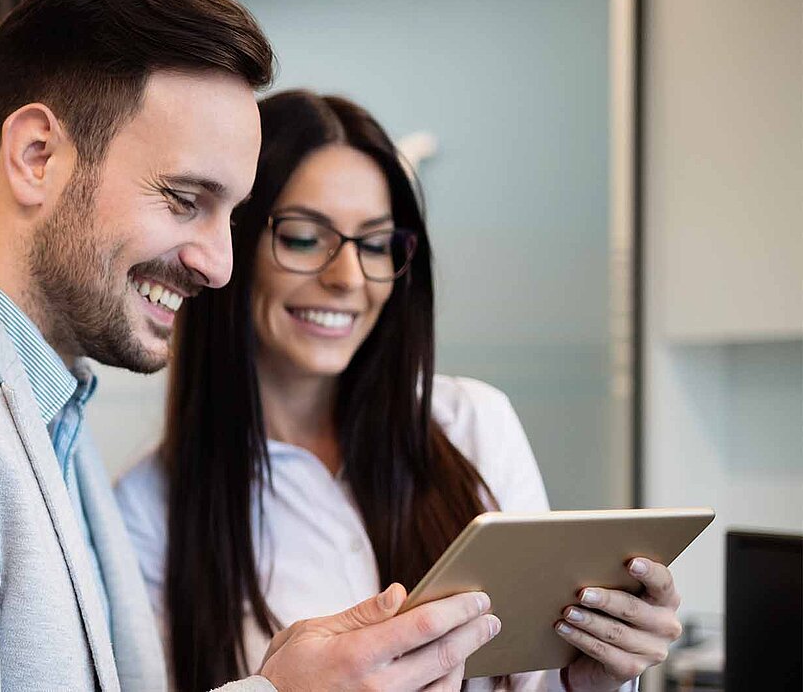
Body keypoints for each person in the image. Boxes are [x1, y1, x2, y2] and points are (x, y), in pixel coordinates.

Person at [0, 0, 500, 690]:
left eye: (229, 216)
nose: (219, 265)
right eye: (183, 199)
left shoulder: (36, 415)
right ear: (36, 156)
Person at [114, 90, 685, 691]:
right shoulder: (149, 508)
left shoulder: (474, 422)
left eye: (377, 244)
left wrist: (594, 681)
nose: (348, 279)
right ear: (232, 247)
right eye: (306, 238)